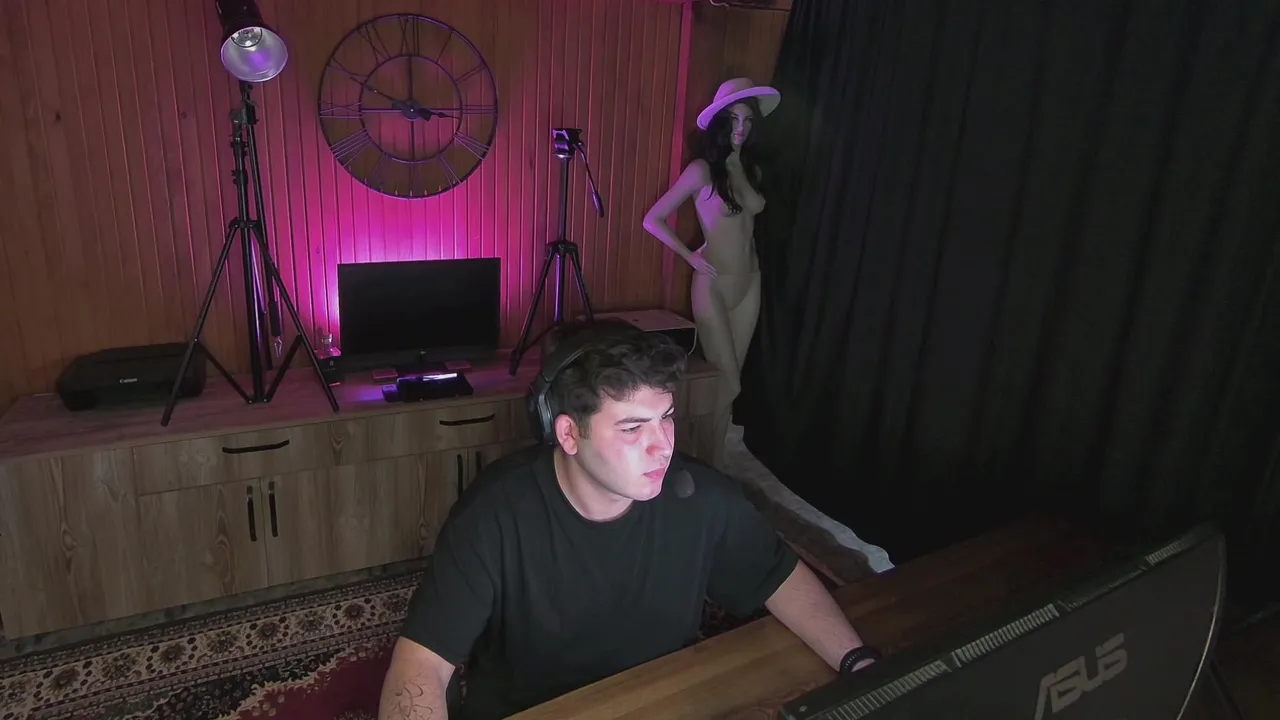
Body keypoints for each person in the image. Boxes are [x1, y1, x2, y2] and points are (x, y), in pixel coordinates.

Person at [376, 320, 876, 720]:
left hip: (660, 700)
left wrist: (859, 663)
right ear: (568, 434)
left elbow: (779, 576)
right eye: (633, 428)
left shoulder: (700, 497)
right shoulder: (493, 515)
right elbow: (422, 663)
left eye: (667, 418)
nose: (663, 447)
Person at [642, 77, 779, 470]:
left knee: (729, 385)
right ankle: (687, 456)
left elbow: (755, 208)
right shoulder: (701, 170)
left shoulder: (749, 169)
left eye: (748, 120)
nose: (741, 127)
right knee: (727, 379)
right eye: (734, 119)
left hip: (749, 281)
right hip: (713, 284)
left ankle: (713, 464)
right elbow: (652, 219)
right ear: (720, 122)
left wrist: (736, 163)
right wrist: (689, 256)